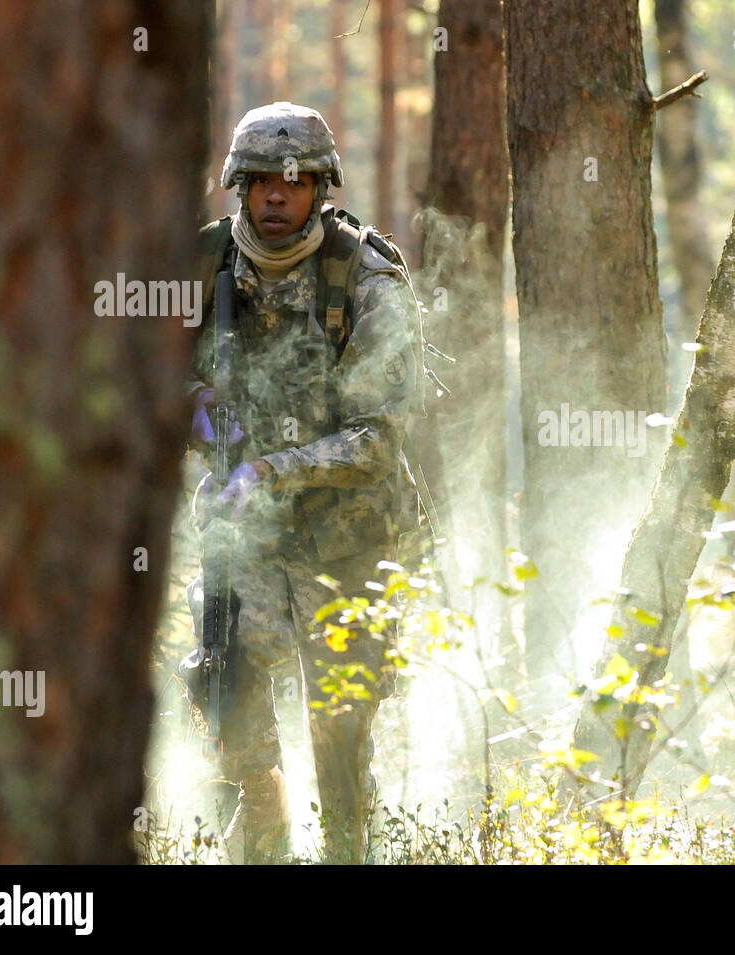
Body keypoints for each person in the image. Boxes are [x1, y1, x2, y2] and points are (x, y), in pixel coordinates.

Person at [183, 102, 424, 864]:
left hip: (347, 536)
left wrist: (266, 470)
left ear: (321, 187)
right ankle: (263, 812)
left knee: (343, 729)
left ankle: (350, 847)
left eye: (294, 181)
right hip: (244, 534)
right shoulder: (204, 268)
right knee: (229, 679)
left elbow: (377, 439)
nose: (277, 196)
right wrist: (192, 406)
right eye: (261, 183)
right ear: (240, 187)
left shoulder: (368, 280)